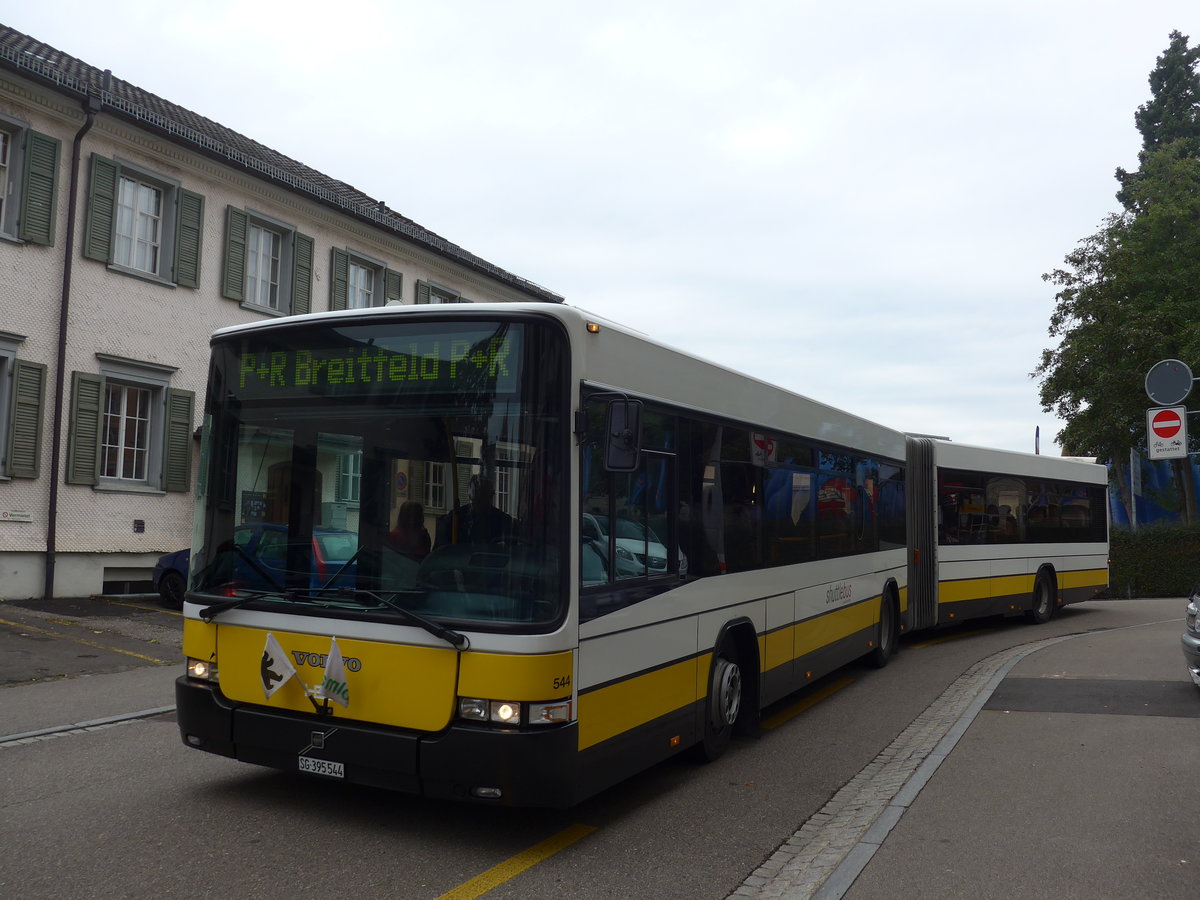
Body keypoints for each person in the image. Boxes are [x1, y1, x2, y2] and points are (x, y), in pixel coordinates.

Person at [435, 474, 514, 547]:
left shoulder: (504, 521)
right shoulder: (455, 518)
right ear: (470, 496)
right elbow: (442, 549)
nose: (481, 502)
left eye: (484, 495)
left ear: (491, 496)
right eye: (478, 495)